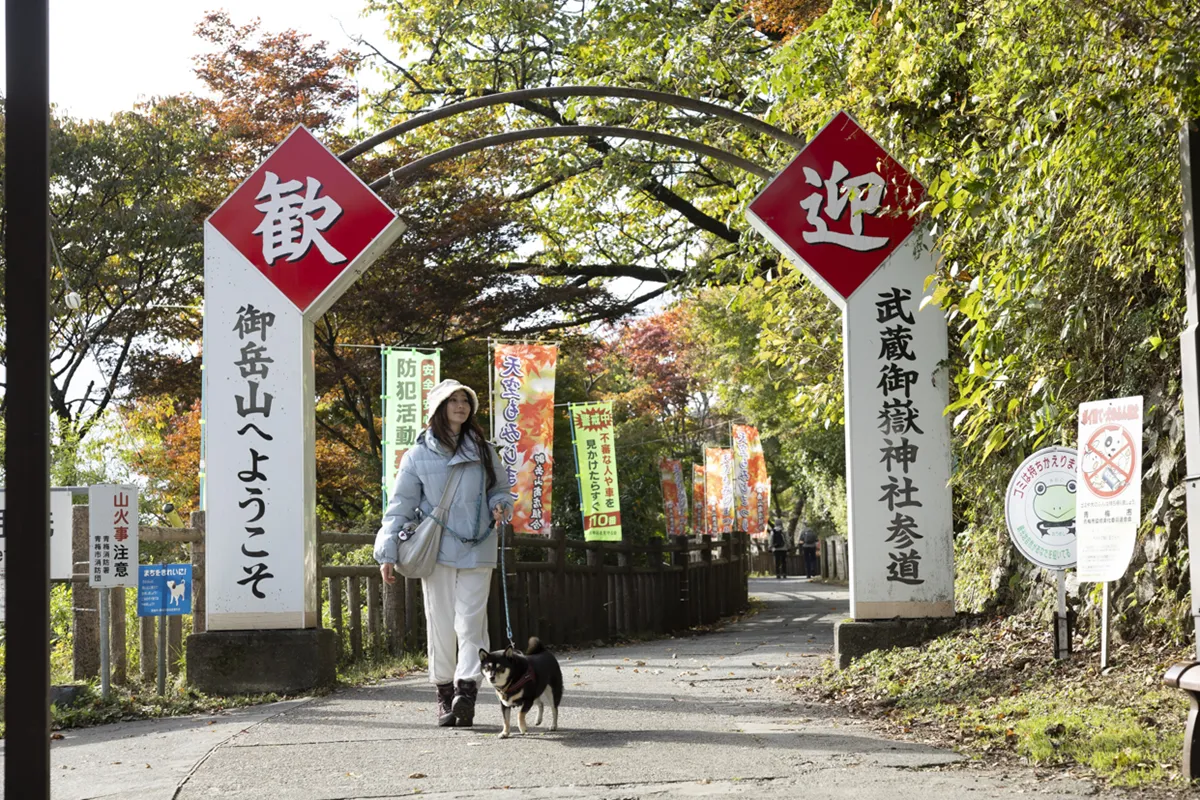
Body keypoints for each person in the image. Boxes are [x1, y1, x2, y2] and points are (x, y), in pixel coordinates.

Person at [374, 379, 513, 728]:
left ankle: (466, 692)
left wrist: (499, 505)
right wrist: (387, 551)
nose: (460, 406)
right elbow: (400, 506)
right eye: (452, 400)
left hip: (478, 545)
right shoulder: (417, 456)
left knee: (471, 622)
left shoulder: (484, 450)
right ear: (439, 408)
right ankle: (443, 693)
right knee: (440, 624)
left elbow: (500, 488)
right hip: (436, 549)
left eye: (465, 400)